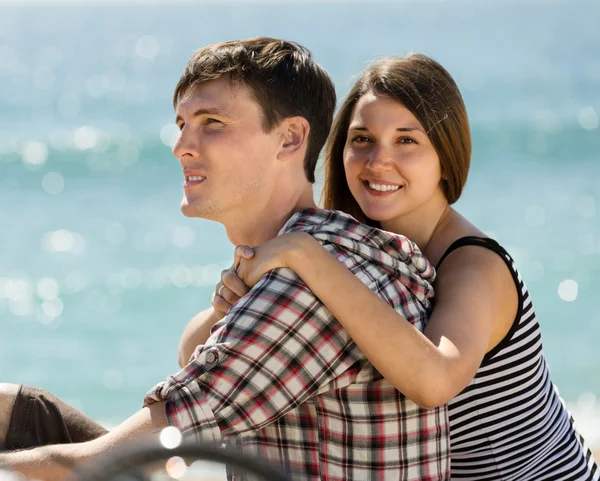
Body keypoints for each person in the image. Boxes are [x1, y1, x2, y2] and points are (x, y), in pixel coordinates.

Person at [0, 39, 449, 481]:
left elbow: (97, 468)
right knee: (8, 409)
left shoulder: (303, 287)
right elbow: (192, 360)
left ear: (291, 138)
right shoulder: (329, 248)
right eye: (181, 123)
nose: (181, 146)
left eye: (212, 122)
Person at [202, 53, 600, 480]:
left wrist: (305, 255)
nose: (377, 161)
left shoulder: (473, 265)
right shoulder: (357, 252)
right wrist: (230, 307)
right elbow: (196, 354)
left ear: (445, 155)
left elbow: (435, 380)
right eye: (362, 139)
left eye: (406, 140)